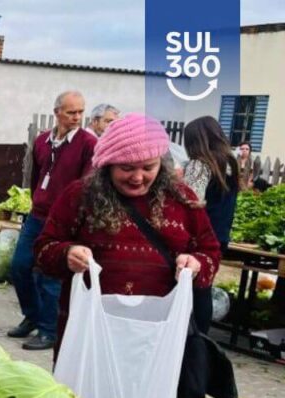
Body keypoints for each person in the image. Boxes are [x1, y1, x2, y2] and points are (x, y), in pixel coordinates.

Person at [35, 113, 221, 351]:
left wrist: (196, 264)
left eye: (148, 167)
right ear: (108, 165)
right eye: (127, 168)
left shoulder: (183, 199)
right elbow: (43, 248)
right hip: (91, 335)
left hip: (157, 339)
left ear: (161, 163)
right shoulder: (80, 196)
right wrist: (66, 253)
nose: (138, 177)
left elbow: (210, 251)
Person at [8, 90, 96, 351]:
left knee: (51, 274)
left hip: (64, 220)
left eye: (80, 112)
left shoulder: (87, 143)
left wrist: (75, 217)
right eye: (71, 112)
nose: (77, 117)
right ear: (57, 112)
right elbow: (35, 175)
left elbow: (87, 184)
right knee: (20, 266)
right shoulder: (42, 141)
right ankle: (32, 315)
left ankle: (49, 329)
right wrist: (36, 198)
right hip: (38, 214)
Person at [182, 116, 240, 253]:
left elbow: (191, 201)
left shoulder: (199, 165)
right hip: (220, 236)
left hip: (198, 238)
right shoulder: (230, 163)